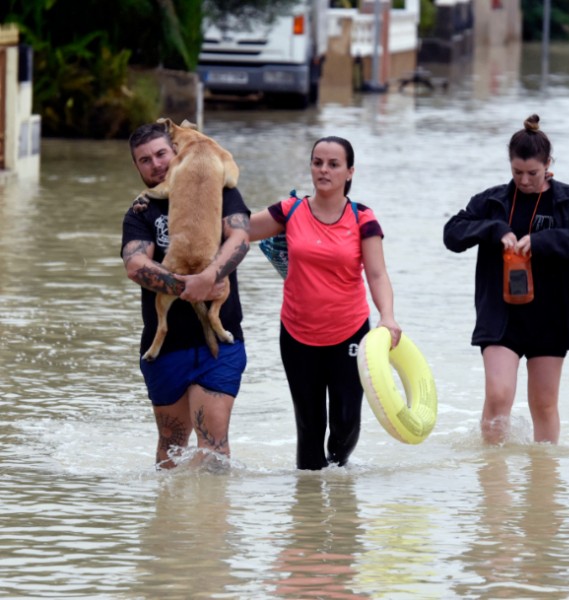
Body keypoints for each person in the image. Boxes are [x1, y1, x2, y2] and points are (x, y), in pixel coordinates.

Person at [443, 114, 569, 445]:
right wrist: (495, 229)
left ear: (548, 164)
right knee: (499, 396)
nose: (525, 180)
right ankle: (492, 478)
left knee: (544, 405)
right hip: (501, 315)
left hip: (551, 317)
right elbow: (452, 235)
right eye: (517, 172)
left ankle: (543, 486)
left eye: (533, 173)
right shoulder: (492, 201)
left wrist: (543, 241)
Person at [249, 136, 401, 470]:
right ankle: (309, 512)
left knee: (346, 424)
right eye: (317, 162)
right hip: (297, 333)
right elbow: (239, 229)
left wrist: (387, 317)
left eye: (333, 164)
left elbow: (377, 275)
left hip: (349, 333)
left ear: (349, 172)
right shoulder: (290, 211)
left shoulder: (363, 218)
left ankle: (339, 483)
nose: (323, 170)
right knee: (309, 426)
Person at [121, 122, 251, 468]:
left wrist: (210, 276)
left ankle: (210, 521)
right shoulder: (141, 211)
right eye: (145, 160)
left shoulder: (217, 185)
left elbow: (240, 238)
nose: (157, 164)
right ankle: (170, 521)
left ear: (176, 150)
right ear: (137, 167)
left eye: (162, 153)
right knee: (172, 447)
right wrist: (186, 286)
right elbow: (135, 265)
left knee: (213, 447)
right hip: (165, 347)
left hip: (220, 345)